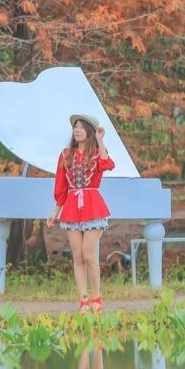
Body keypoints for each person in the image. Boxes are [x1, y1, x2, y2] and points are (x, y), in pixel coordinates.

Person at [46, 114, 114, 312]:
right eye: (75, 127)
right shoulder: (66, 154)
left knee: (89, 254)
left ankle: (97, 297)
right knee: (77, 255)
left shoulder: (96, 153)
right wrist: (55, 211)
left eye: (82, 127)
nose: (77, 130)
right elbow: (61, 184)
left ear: (90, 132)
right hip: (72, 207)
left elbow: (107, 164)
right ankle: (83, 299)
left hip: (92, 206)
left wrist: (100, 140)